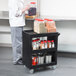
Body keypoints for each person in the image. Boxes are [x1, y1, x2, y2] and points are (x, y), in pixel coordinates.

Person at [8, 0, 30, 65]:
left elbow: (19, 10)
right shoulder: (13, 1)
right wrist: (25, 8)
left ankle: (18, 58)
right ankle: (16, 60)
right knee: (17, 43)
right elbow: (16, 13)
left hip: (19, 23)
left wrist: (24, 11)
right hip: (16, 23)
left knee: (19, 43)